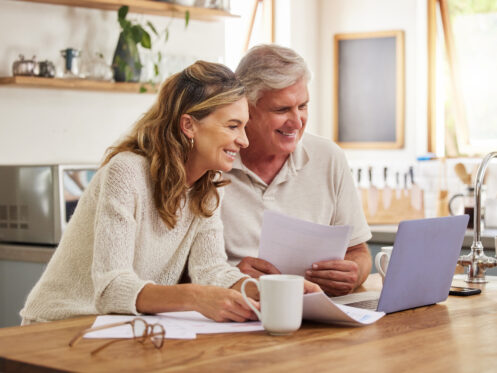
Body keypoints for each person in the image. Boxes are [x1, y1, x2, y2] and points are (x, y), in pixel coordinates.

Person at [21, 61, 258, 325]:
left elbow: (210, 269)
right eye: (232, 126)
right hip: (60, 324)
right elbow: (111, 288)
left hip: (119, 328)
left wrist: (271, 291)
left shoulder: (208, 188)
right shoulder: (126, 172)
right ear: (189, 125)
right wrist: (195, 297)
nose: (244, 140)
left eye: (244, 127)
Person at [221, 45, 372, 296]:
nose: (297, 121)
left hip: (316, 315)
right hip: (238, 315)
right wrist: (229, 277)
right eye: (281, 110)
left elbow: (359, 252)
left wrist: (353, 273)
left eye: (302, 106)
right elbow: (177, 272)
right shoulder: (213, 162)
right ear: (246, 108)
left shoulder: (328, 157)